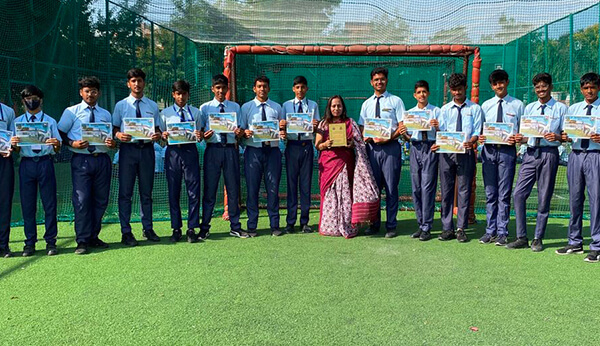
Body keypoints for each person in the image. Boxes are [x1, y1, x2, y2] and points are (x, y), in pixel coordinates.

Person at [507, 73, 566, 251]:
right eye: (537, 87)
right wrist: (521, 138)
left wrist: (556, 137)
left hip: (549, 153)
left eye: (544, 86)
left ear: (551, 87)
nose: (541, 90)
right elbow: (526, 134)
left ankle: (538, 238)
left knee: (543, 197)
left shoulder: (561, 109)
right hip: (530, 154)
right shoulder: (530, 108)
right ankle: (521, 236)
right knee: (518, 194)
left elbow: (567, 135)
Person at [58, 76, 116, 255]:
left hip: (102, 160)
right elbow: (60, 133)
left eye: (94, 91)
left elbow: (110, 136)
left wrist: (112, 143)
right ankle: (82, 240)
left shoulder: (105, 114)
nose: (90, 94)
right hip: (81, 160)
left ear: (99, 93)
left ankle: (93, 236)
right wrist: (72, 143)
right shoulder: (72, 111)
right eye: (87, 91)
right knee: (82, 200)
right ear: (81, 92)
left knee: (101, 200)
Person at [315, 95, 379, 238]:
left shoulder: (350, 122)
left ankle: (347, 226)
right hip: (329, 164)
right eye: (333, 106)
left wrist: (351, 144)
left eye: (339, 106)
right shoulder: (323, 124)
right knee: (330, 194)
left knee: (345, 194)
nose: (336, 109)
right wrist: (325, 144)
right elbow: (317, 144)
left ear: (343, 107)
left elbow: (359, 142)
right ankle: (330, 226)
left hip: (345, 163)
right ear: (329, 108)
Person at [112, 68, 162, 246]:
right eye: (133, 81)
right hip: (128, 152)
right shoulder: (121, 105)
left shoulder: (152, 105)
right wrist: (118, 136)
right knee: (125, 193)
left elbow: (157, 129)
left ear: (144, 83)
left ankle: (147, 228)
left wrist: (157, 134)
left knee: (146, 193)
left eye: (140, 80)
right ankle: (126, 232)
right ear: (128, 84)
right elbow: (114, 128)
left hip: (147, 151)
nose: (137, 84)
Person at [11, 85, 61, 256]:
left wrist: (56, 144)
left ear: (41, 99)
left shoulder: (50, 121)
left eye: (34, 97)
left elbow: (58, 147)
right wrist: (14, 145)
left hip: (46, 163)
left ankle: (51, 242)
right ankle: (29, 243)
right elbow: (15, 148)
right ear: (23, 101)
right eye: (27, 98)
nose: (31, 100)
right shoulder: (17, 122)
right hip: (26, 164)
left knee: (49, 204)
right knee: (28, 205)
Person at [431, 73, 482, 242]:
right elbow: (442, 133)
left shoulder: (475, 108)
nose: (457, 93)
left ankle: (461, 228)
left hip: (465, 153)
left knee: (464, 190)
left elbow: (476, 131)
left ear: (465, 88)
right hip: (446, 154)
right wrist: (438, 134)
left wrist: (472, 141)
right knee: (446, 190)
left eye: (459, 89)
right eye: (454, 90)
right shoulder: (444, 109)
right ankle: (447, 228)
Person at [556, 72, 600, 262]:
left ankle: (597, 245)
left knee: (596, 200)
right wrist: (565, 136)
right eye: (586, 87)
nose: (589, 91)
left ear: (598, 88)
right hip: (575, 156)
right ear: (581, 89)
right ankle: (574, 242)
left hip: (595, 155)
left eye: (592, 87)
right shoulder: (573, 108)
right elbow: (566, 133)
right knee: (574, 199)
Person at [478, 70, 524, 245]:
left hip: (507, 152)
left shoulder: (518, 105)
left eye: (502, 82)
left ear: (507, 82)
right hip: (489, 151)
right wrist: (481, 137)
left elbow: (523, 129)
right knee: (490, 193)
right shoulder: (486, 105)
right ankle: (490, 231)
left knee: (504, 194)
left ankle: (503, 232)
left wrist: (518, 138)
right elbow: (482, 129)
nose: (499, 86)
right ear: (491, 86)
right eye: (495, 83)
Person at [359, 67, 405, 238]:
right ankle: (374, 224)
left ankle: (391, 225)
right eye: (376, 79)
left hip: (391, 149)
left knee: (391, 188)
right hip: (372, 150)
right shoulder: (366, 104)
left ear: (387, 81)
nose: (379, 82)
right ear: (371, 82)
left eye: (382, 79)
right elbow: (362, 127)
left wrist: (388, 138)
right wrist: (366, 136)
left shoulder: (396, 101)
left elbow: (402, 126)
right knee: (374, 188)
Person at [199, 74, 245, 239]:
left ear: (227, 89)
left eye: (223, 88)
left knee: (233, 189)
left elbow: (240, 128)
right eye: (217, 88)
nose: (220, 91)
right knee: (210, 190)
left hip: (231, 150)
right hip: (213, 150)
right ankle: (204, 227)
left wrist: (239, 132)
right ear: (212, 89)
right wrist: (205, 134)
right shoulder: (204, 108)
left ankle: (235, 226)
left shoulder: (235, 107)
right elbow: (200, 132)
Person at [240, 76, 285, 237]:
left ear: (269, 88)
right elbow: (241, 130)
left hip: (272, 152)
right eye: (259, 86)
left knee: (273, 189)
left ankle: (275, 225)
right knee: (252, 189)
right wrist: (245, 132)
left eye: (265, 86)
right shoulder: (246, 107)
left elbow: (282, 129)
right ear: (254, 88)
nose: (262, 89)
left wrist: (282, 130)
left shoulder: (276, 107)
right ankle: (252, 226)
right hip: (253, 151)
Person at [160, 80, 203, 243]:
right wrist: (163, 136)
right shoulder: (165, 114)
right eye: (178, 93)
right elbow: (161, 134)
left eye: (184, 94)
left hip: (190, 151)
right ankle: (176, 228)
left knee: (193, 190)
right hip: (173, 152)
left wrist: (198, 135)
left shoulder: (196, 112)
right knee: (173, 191)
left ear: (188, 95)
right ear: (173, 94)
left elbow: (199, 133)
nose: (181, 97)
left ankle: (192, 228)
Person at [400, 80, 441, 241]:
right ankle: (420, 223)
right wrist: (403, 133)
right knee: (416, 188)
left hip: (430, 148)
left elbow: (444, 133)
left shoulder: (436, 111)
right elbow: (408, 136)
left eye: (424, 91)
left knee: (427, 188)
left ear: (428, 93)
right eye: (419, 92)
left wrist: (437, 127)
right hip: (415, 148)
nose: (422, 95)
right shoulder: (409, 113)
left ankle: (427, 227)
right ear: (414, 95)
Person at [281, 76, 320, 234]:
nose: (300, 90)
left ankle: (304, 222)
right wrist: (282, 129)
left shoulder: (313, 105)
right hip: (292, 146)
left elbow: (317, 127)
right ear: (293, 89)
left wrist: (314, 125)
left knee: (305, 185)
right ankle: (290, 222)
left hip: (306, 147)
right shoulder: (286, 105)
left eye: (303, 87)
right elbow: (282, 126)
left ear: (307, 89)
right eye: (297, 87)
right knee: (291, 185)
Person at [0, 100, 16, 257]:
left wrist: (10, 146)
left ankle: (3, 245)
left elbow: (12, 135)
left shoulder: (8, 111)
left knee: (4, 202)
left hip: (4, 161)